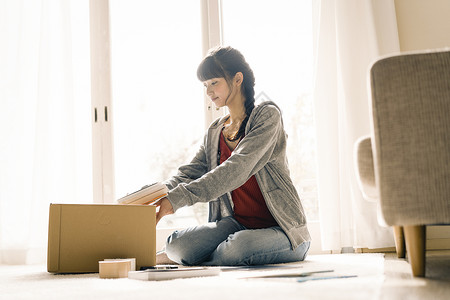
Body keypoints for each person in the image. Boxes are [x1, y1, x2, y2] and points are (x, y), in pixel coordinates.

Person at [154, 46, 311, 266]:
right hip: (238, 225)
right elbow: (189, 173)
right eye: (205, 85)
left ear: (238, 79)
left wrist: (178, 199)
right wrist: (156, 195)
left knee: (239, 246)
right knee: (177, 244)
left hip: (283, 229)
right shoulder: (216, 131)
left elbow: (236, 169)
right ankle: (191, 255)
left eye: (214, 82)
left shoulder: (266, 115)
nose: (209, 91)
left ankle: (200, 258)